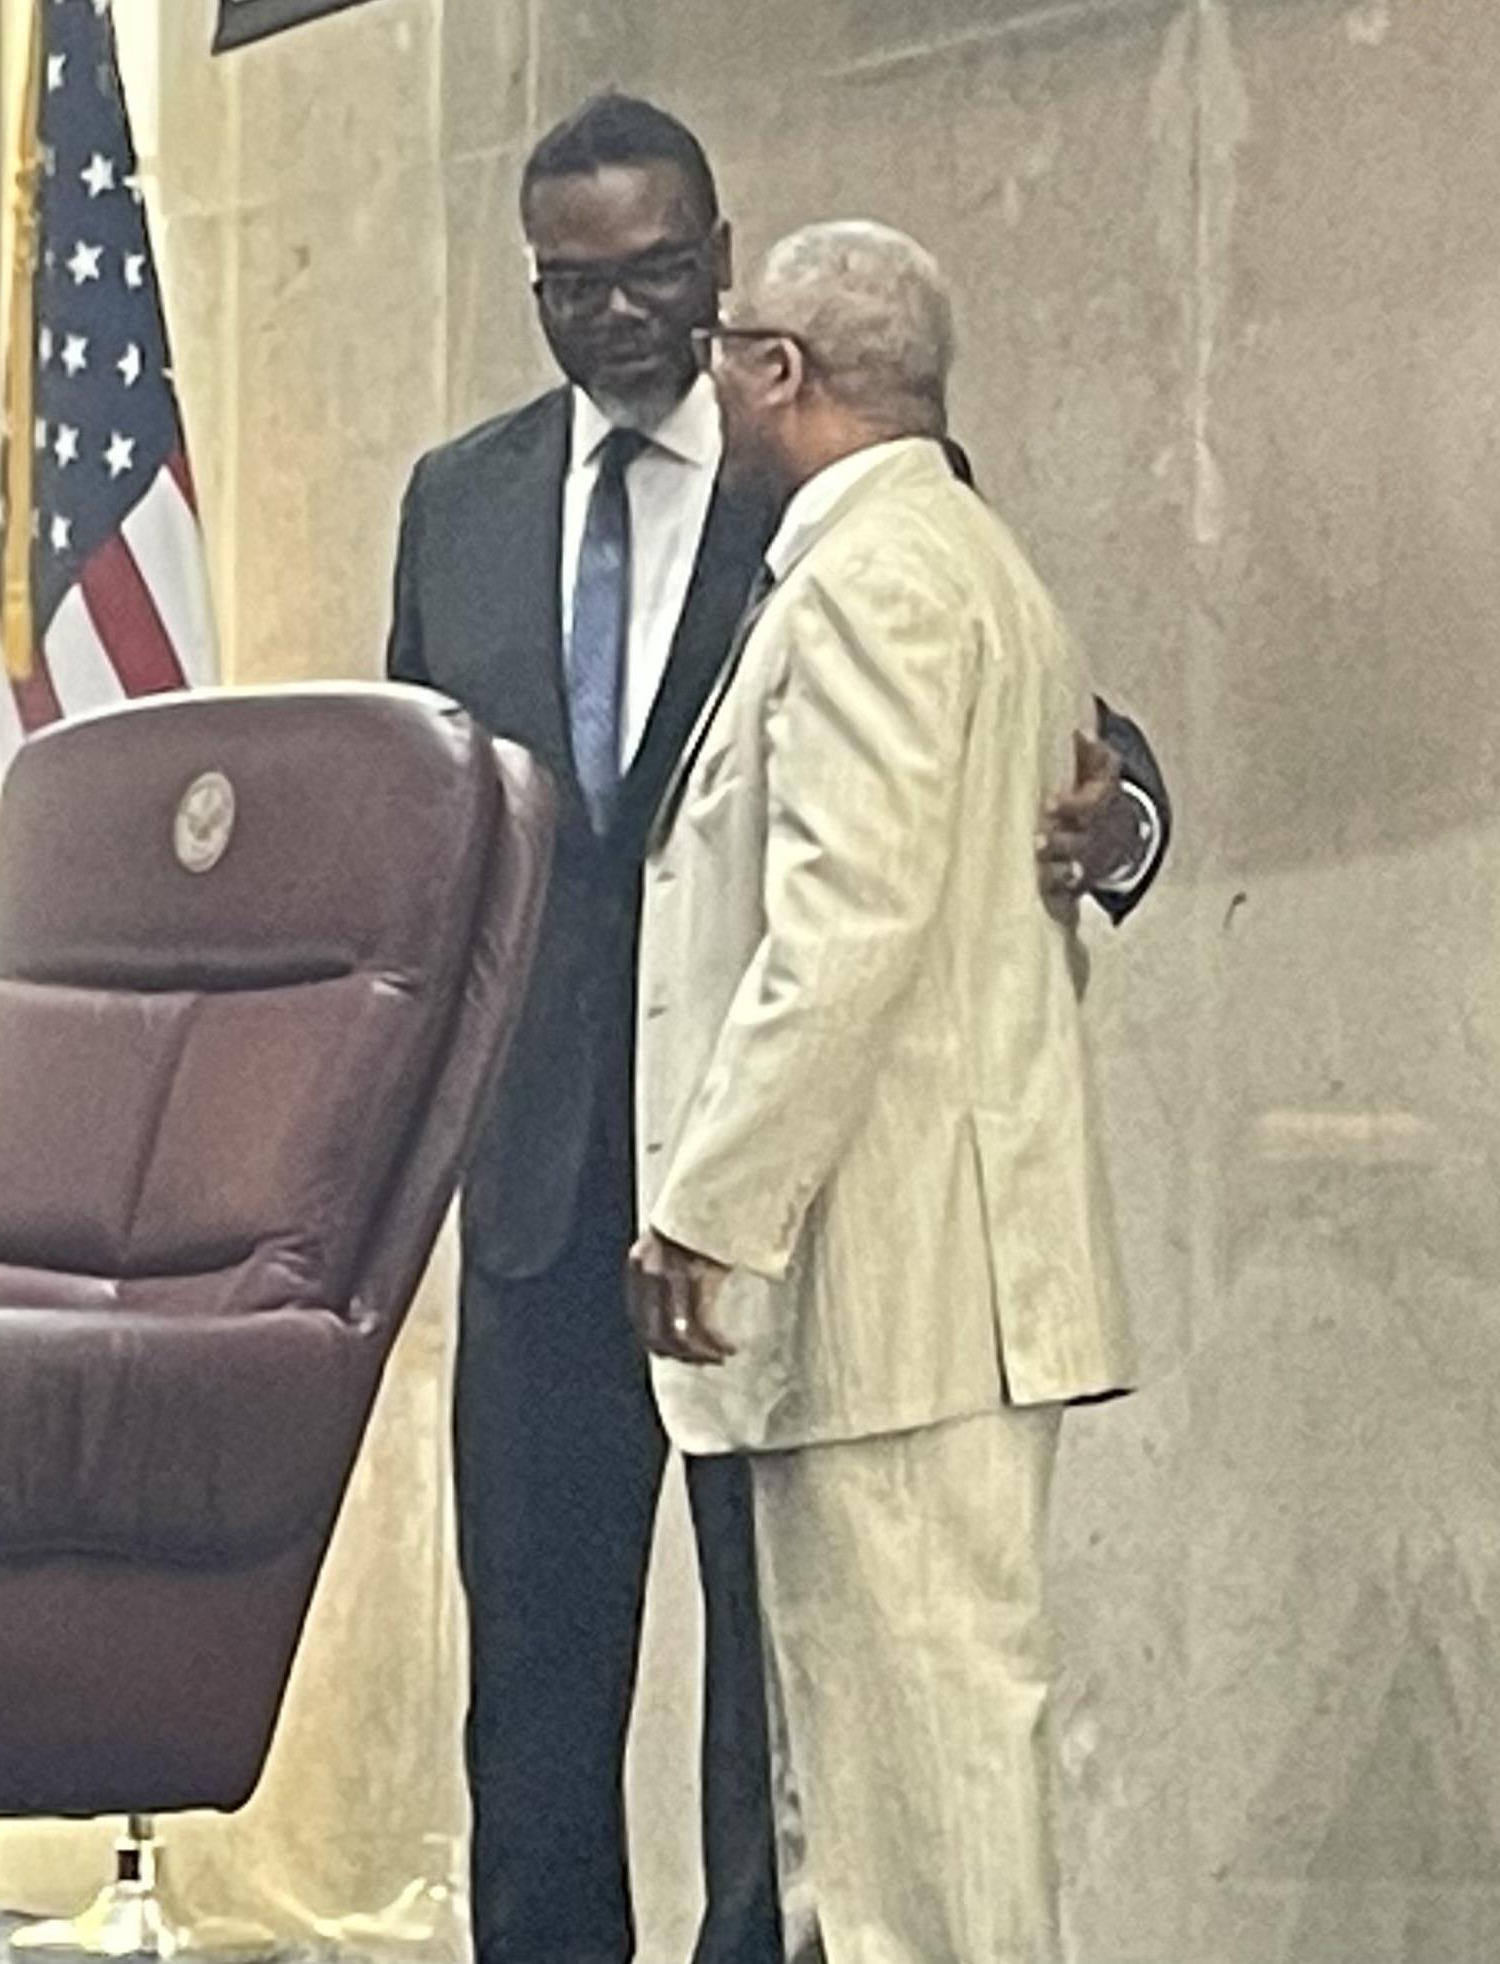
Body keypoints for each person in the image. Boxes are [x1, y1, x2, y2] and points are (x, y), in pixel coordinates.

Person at [385, 94, 1162, 1964]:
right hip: (555, 1182)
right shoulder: (463, 498)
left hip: (775, 1200)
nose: (618, 318)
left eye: (656, 275)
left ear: (728, 278)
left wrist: (1117, 819)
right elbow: (414, 821)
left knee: (794, 1695)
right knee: (541, 1684)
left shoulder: (827, 478)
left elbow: (1032, 727)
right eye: (572, 285)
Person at [630, 221, 1138, 1964]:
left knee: (920, 1819)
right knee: (877, 1801)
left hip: (903, 1277)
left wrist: (707, 1203)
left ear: (780, 372)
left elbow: (840, 929)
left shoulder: (872, 578)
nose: (706, 380)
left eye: (724, 348)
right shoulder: (964, 557)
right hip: (920, 1271)